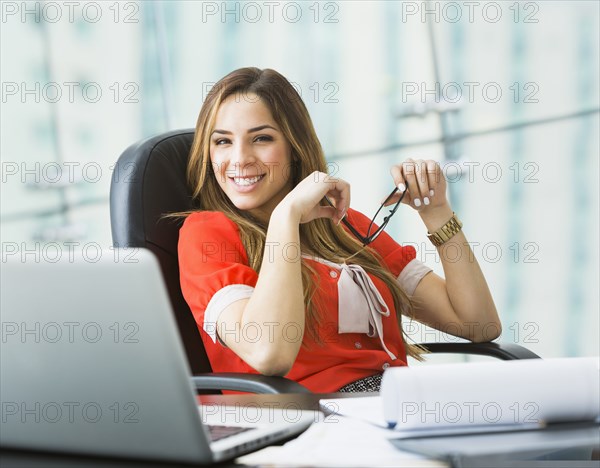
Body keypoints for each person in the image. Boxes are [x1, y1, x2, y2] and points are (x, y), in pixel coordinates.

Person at [178, 67, 501, 393]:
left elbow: (478, 324)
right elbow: (269, 353)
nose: (240, 159)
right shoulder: (207, 234)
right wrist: (285, 217)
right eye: (222, 141)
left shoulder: (345, 225)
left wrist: (436, 212)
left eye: (261, 138)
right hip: (304, 424)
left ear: (294, 146)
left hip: (392, 403)